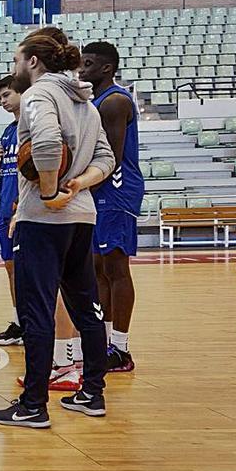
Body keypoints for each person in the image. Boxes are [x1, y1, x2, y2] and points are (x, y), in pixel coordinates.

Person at [0, 30, 114, 428]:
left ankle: (32, 405)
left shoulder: (39, 95)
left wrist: (47, 192)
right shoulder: (87, 104)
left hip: (44, 220)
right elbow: (107, 158)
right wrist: (78, 183)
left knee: (36, 310)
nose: (14, 68)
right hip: (81, 214)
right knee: (86, 306)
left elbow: (45, 144)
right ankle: (92, 393)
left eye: (16, 60)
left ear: (33, 62)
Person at [79, 41, 142, 374]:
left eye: (87, 64)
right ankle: (106, 343)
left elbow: (111, 159)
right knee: (99, 267)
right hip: (100, 190)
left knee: (116, 268)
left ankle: (122, 347)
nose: (81, 69)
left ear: (106, 68)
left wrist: (76, 185)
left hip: (115, 189)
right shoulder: (96, 102)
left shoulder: (115, 101)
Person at [0, 76, 24, 346]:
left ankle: (34, 323)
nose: (3, 101)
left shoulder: (32, 125)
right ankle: (20, 321)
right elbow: (12, 171)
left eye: (7, 95)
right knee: (11, 268)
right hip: (5, 205)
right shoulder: (9, 131)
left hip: (23, 208)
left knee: (27, 269)